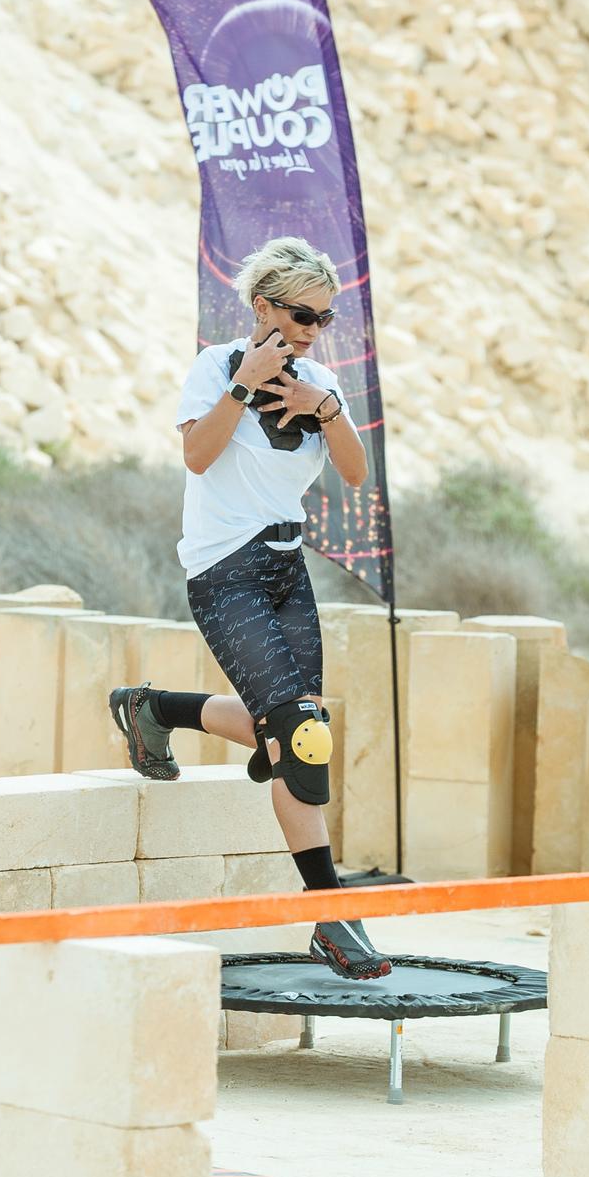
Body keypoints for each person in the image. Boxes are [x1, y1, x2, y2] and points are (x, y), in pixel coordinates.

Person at [107, 236, 387, 978]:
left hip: (288, 568)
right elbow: (197, 456)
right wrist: (244, 384)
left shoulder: (320, 380)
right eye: (302, 314)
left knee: (297, 731)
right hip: (225, 568)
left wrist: (327, 408)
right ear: (263, 306)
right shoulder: (214, 365)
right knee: (299, 737)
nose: (313, 330)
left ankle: (153, 708)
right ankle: (331, 916)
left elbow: (356, 474)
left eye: (324, 318)